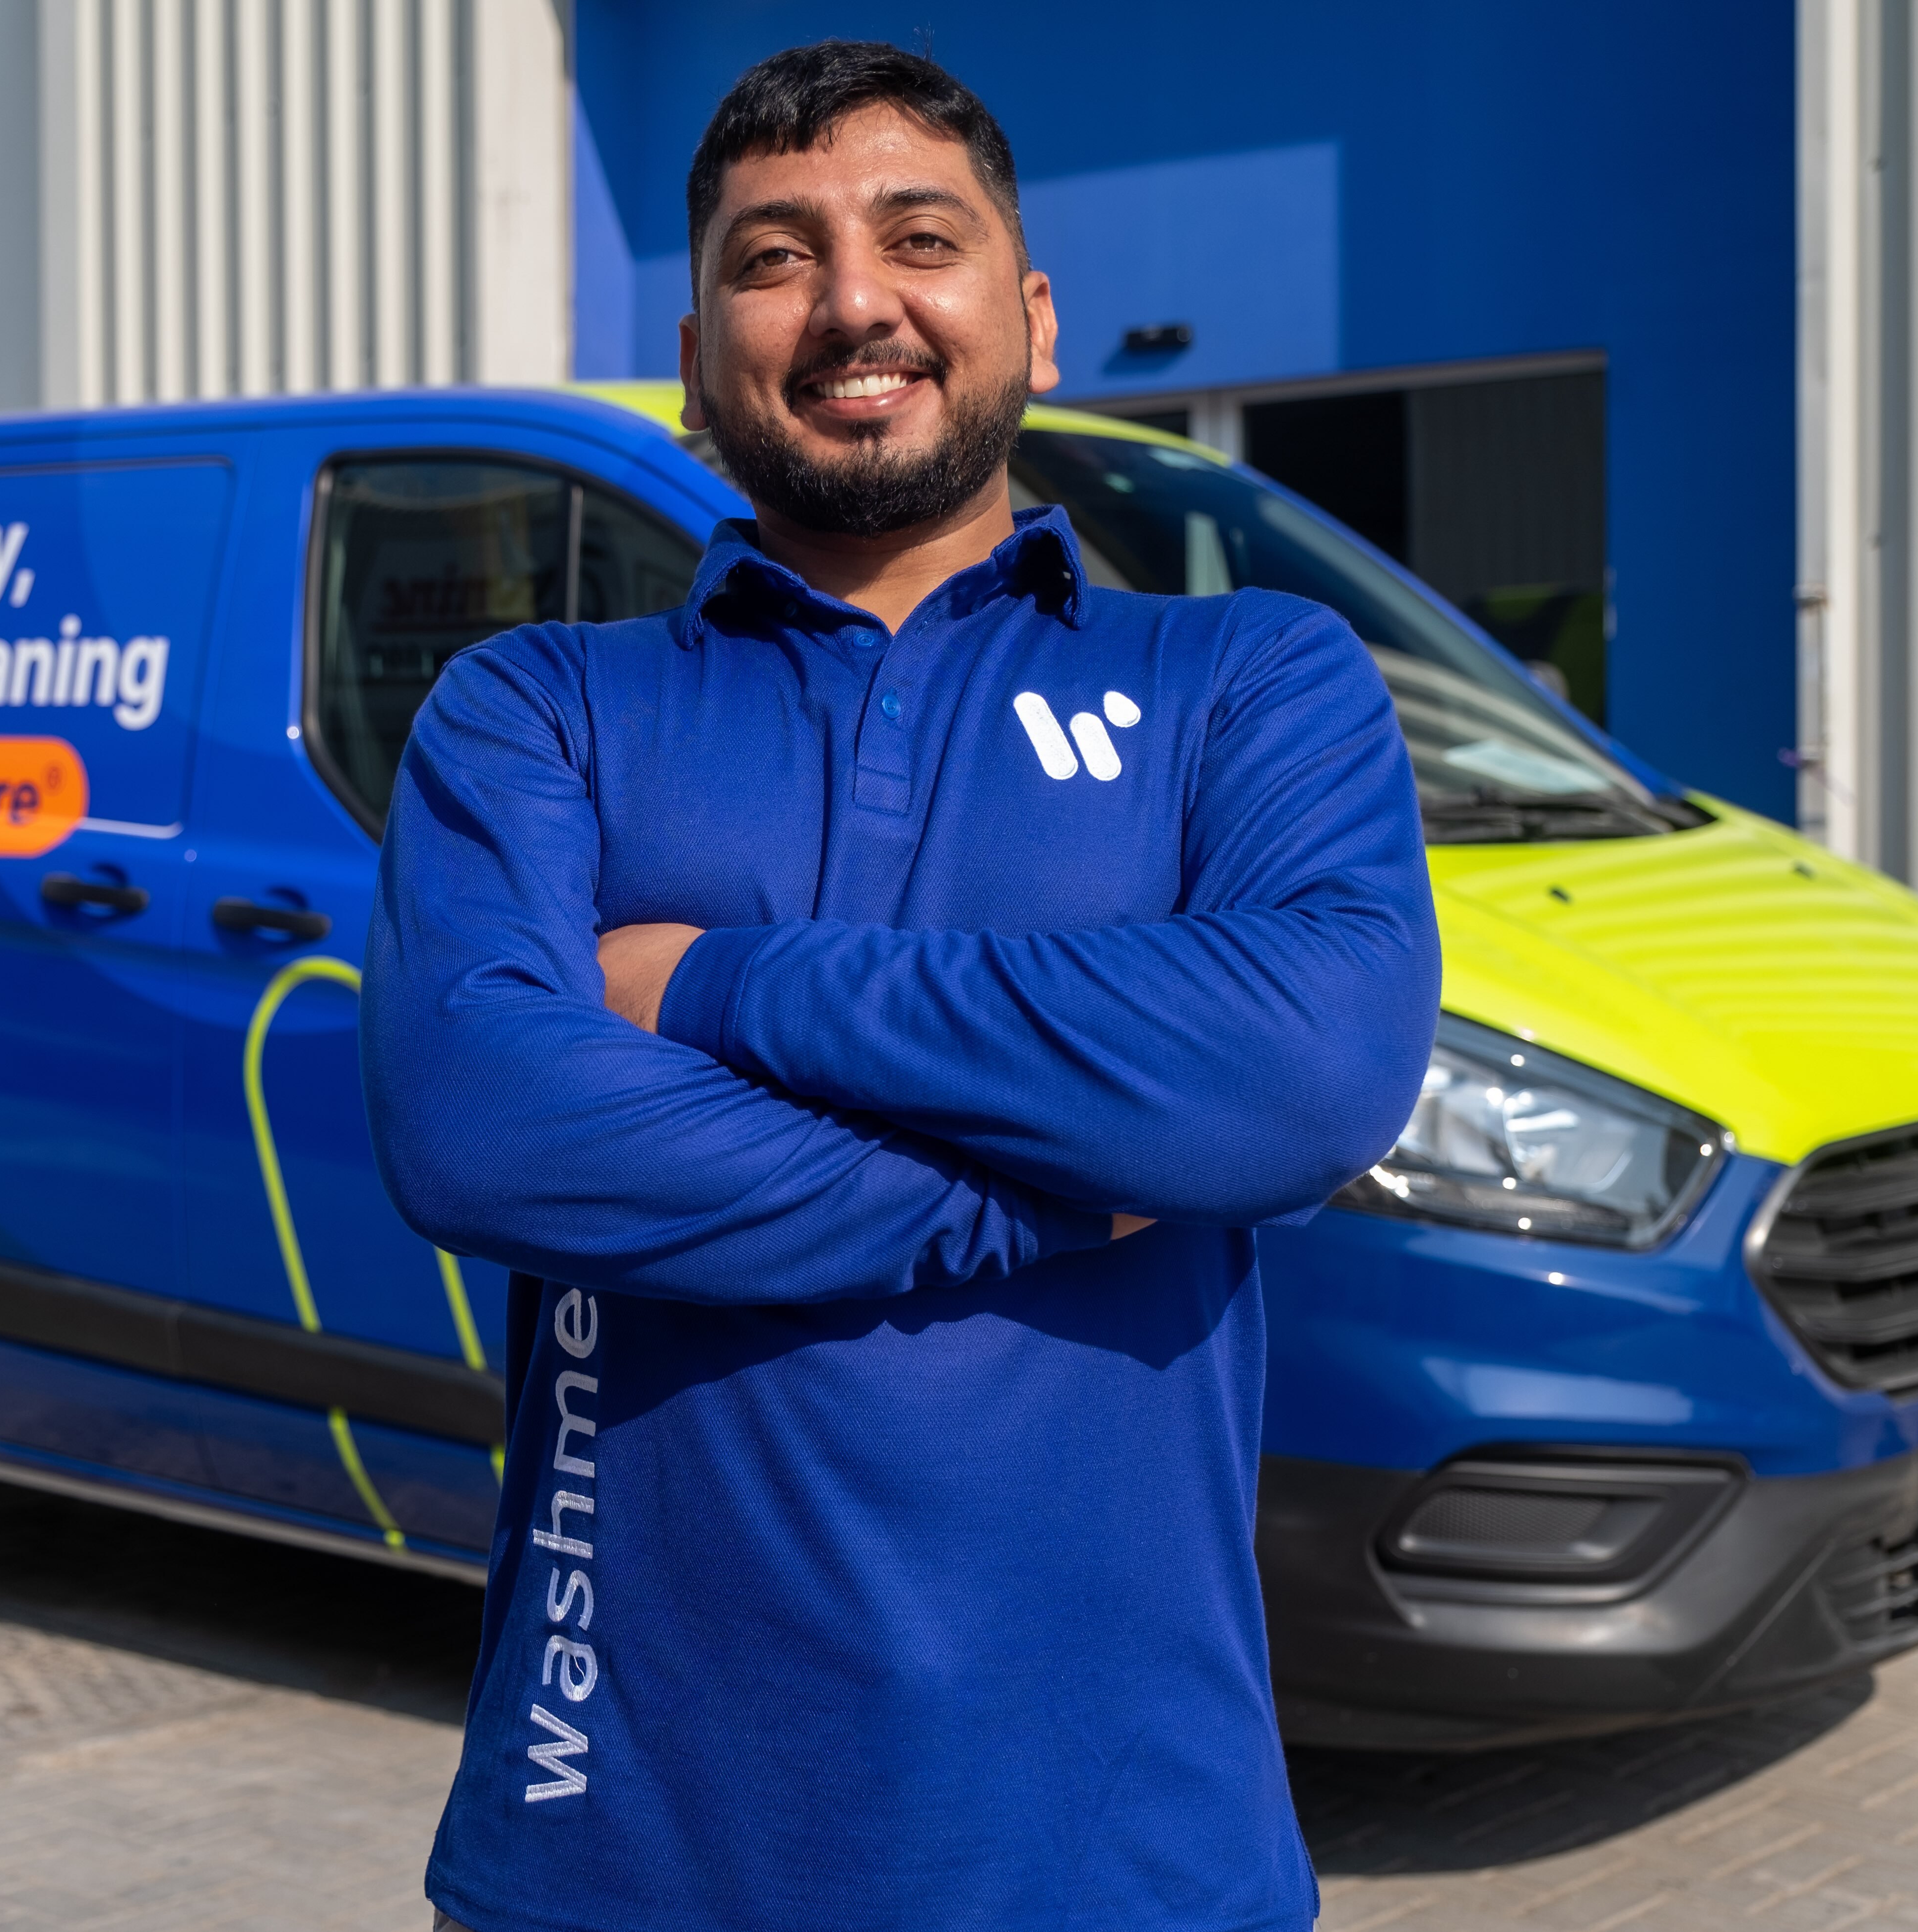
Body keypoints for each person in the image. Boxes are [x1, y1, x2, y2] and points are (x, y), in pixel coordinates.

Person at [362, 39, 1440, 1932]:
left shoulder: (1246, 681)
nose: (853, 299)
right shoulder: (544, 705)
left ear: (1027, 315)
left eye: (915, 237)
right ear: (696, 355)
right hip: (617, 1855)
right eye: (771, 258)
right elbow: (480, 1124)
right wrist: (1073, 1179)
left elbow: (1313, 1066)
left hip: (1124, 1861)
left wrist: (706, 982)